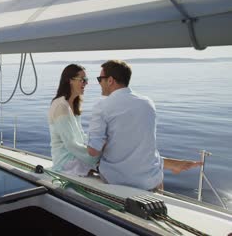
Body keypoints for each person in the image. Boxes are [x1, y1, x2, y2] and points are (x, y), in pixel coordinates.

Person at [87, 60, 202, 190]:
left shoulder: (102, 107)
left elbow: (93, 151)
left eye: (100, 79)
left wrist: (103, 141)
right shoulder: (147, 102)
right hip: (152, 181)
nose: (99, 83)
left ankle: (169, 164)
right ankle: (168, 164)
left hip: (117, 180)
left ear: (110, 80)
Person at [48, 64, 99, 176]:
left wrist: (95, 147)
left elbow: (81, 136)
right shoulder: (60, 106)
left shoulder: (73, 104)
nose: (86, 83)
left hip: (77, 155)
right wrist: (95, 157)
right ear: (70, 80)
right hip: (66, 162)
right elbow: (70, 144)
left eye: (86, 80)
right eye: (83, 80)